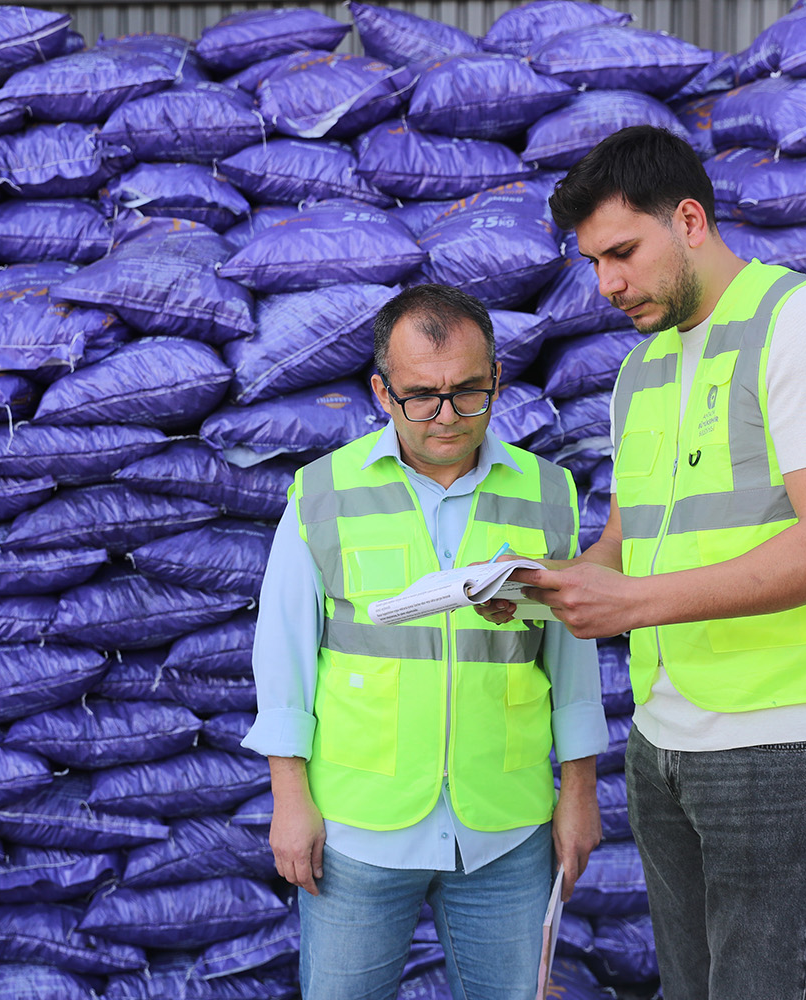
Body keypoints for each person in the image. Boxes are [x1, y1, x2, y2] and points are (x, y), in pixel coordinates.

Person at [482, 125, 806, 999]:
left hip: (780, 742)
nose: (607, 284)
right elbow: (624, 545)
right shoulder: (640, 371)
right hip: (663, 737)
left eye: (622, 253)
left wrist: (635, 604)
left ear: (689, 219)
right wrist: (539, 584)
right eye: (594, 262)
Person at [241, 283, 609, 1000]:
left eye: (469, 392)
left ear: (497, 380)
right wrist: (290, 797)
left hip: (506, 825)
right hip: (360, 826)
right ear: (382, 391)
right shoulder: (323, 492)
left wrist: (581, 791)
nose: (447, 416)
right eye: (421, 395)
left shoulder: (548, 493)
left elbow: (571, 657)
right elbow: (281, 652)